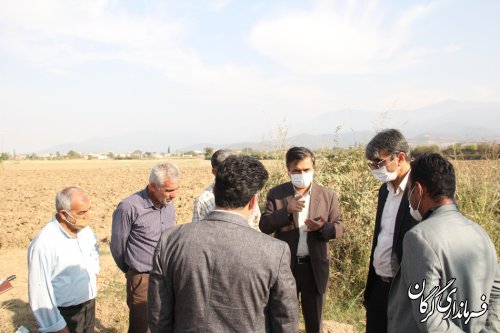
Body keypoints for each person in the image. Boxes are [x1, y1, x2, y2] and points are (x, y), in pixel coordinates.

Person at [148, 156, 299, 332]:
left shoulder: (170, 240)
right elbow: (285, 320)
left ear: (214, 192)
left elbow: (158, 314)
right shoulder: (274, 251)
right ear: (253, 201)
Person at [388, 153, 500, 332]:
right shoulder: (480, 233)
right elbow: (496, 296)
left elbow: (429, 320)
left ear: (418, 190)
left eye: (409, 190)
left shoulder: (419, 237)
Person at [259, 146, 344, 333]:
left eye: (306, 170)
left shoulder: (328, 196)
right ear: (288, 170)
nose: (302, 174)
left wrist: (323, 228)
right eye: (296, 171)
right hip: (285, 268)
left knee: (314, 321)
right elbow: (264, 226)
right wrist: (286, 212)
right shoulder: (277, 194)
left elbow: (339, 226)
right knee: (283, 319)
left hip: (314, 267)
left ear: (313, 168)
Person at [111, 162, 180, 333]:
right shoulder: (129, 207)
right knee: (142, 327)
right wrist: (133, 271)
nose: (174, 195)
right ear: (152, 186)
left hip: (166, 276)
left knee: (164, 324)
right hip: (143, 278)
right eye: (169, 190)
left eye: (177, 189)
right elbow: (118, 247)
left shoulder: (168, 205)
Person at [363, 128, 418, 333]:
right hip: (379, 286)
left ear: (400, 157)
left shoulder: (420, 191)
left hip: (405, 289)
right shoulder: (384, 191)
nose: (375, 169)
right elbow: (381, 237)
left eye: (379, 163)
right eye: (372, 164)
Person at [28, 187, 99, 333]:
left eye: (88, 210)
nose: (88, 216)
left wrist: (95, 274)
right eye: (81, 213)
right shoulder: (44, 244)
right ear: (64, 214)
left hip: (88, 307)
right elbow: (40, 292)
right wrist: (57, 327)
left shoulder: (85, 231)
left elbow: (94, 254)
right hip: (64, 314)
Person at [192, 149, 261, 229]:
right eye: (225, 169)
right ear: (214, 172)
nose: (232, 172)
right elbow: (196, 232)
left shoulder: (249, 191)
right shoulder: (203, 200)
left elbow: (256, 223)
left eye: (236, 168)